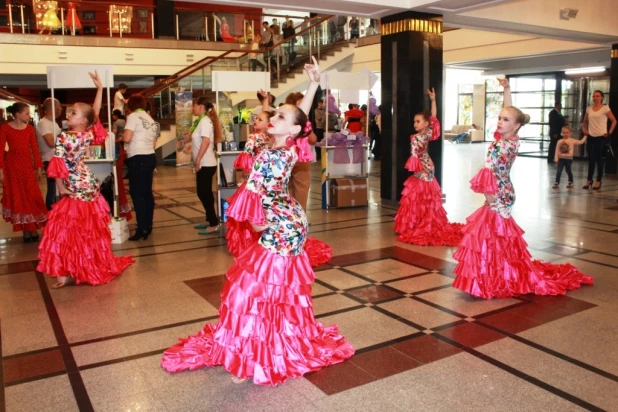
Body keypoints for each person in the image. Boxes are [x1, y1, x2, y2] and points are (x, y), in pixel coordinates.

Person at [161, 57, 352, 386]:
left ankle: (253, 356)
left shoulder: (276, 153)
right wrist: (313, 84)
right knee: (266, 291)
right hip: (288, 222)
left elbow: (257, 190)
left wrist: (258, 223)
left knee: (251, 291)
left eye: (279, 116)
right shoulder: (287, 147)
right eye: (274, 113)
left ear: (291, 129)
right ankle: (256, 349)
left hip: (280, 227)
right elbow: (299, 117)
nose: (273, 116)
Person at [452, 78, 593, 299]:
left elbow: (488, 176)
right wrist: (506, 90)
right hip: (506, 191)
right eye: (499, 118)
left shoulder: (499, 145)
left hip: (497, 194)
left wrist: (491, 201)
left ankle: (498, 276)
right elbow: (512, 114)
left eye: (504, 119)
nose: (500, 121)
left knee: (492, 234)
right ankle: (501, 272)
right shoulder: (512, 139)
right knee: (498, 236)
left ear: (515, 125)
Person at [37, 71, 134, 288]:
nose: (68, 114)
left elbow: (58, 165)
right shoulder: (87, 134)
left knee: (64, 228)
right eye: (70, 112)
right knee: (83, 228)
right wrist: (99, 89)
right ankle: (76, 267)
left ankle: (65, 273)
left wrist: (61, 188)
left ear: (82, 120)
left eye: (73, 113)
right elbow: (95, 113)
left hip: (75, 186)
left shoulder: (64, 136)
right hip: (87, 182)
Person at [393, 88, 463, 246]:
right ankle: (418, 221)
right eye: (414, 121)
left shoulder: (422, 136)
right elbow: (434, 118)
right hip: (424, 164)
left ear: (425, 123)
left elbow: (433, 118)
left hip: (423, 165)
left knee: (422, 193)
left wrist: (433, 101)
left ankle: (423, 222)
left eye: (418, 121)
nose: (415, 124)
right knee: (420, 193)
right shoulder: (426, 134)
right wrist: (433, 100)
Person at [0, 103, 47, 242]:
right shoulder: (5, 128)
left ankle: (32, 228)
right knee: (19, 198)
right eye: (26, 113)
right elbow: (1, 150)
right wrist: (1, 170)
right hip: (12, 168)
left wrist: (38, 167)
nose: (29, 115)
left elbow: (34, 148)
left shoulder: (30, 129)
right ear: (17, 114)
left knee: (31, 197)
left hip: (26, 167)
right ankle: (27, 231)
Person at [123, 94, 158, 241]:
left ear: (130, 105)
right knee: (147, 194)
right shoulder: (150, 119)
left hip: (138, 157)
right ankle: (148, 225)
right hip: (149, 156)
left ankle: (142, 228)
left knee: (137, 194)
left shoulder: (133, 117)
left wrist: (121, 137)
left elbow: (127, 138)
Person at [190, 97, 222, 235]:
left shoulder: (204, 121)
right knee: (203, 192)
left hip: (206, 163)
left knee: (205, 193)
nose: (192, 108)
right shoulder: (200, 121)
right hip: (203, 163)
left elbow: (206, 142)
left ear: (201, 106)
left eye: (194, 105)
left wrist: (198, 159)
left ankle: (214, 223)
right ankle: (209, 218)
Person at [285, 92, 318, 210]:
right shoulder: (301, 120)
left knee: (287, 189)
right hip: (300, 158)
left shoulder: (284, 121)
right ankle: (299, 217)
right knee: (301, 189)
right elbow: (313, 139)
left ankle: (288, 216)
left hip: (285, 158)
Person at [581, 90, 617, 190]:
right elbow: (584, 122)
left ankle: (598, 180)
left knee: (599, 159)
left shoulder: (605, 108)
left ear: (602, 97)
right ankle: (589, 180)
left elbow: (614, 121)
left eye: (597, 96)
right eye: (593, 96)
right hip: (591, 137)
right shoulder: (589, 109)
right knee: (591, 159)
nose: (595, 98)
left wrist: (609, 132)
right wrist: (584, 130)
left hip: (601, 137)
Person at [36, 98, 62, 211]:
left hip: (56, 158)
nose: (61, 109)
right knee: (52, 188)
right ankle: (51, 213)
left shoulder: (54, 122)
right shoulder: (43, 123)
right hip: (49, 159)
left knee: (57, 188)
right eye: (59, 106)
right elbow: (51, 142)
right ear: (54, 108)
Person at [111, 110, 132, 221]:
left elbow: (114, 133)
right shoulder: (124, 121)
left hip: (117, 143)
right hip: (122, 145)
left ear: (115, 115)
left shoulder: (116, 123)